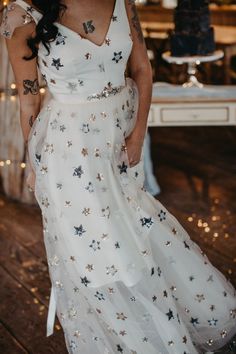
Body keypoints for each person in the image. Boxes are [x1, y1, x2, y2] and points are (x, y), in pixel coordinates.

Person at [1, 1, 236, 353]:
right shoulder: (20, 16)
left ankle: (169, 326)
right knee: (104, 252)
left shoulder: (121, 0)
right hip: (70, 151)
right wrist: (36, 167)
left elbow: (142, 68)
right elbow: (29, 102)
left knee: (140, 230)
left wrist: (138, 134)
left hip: (119, 141)